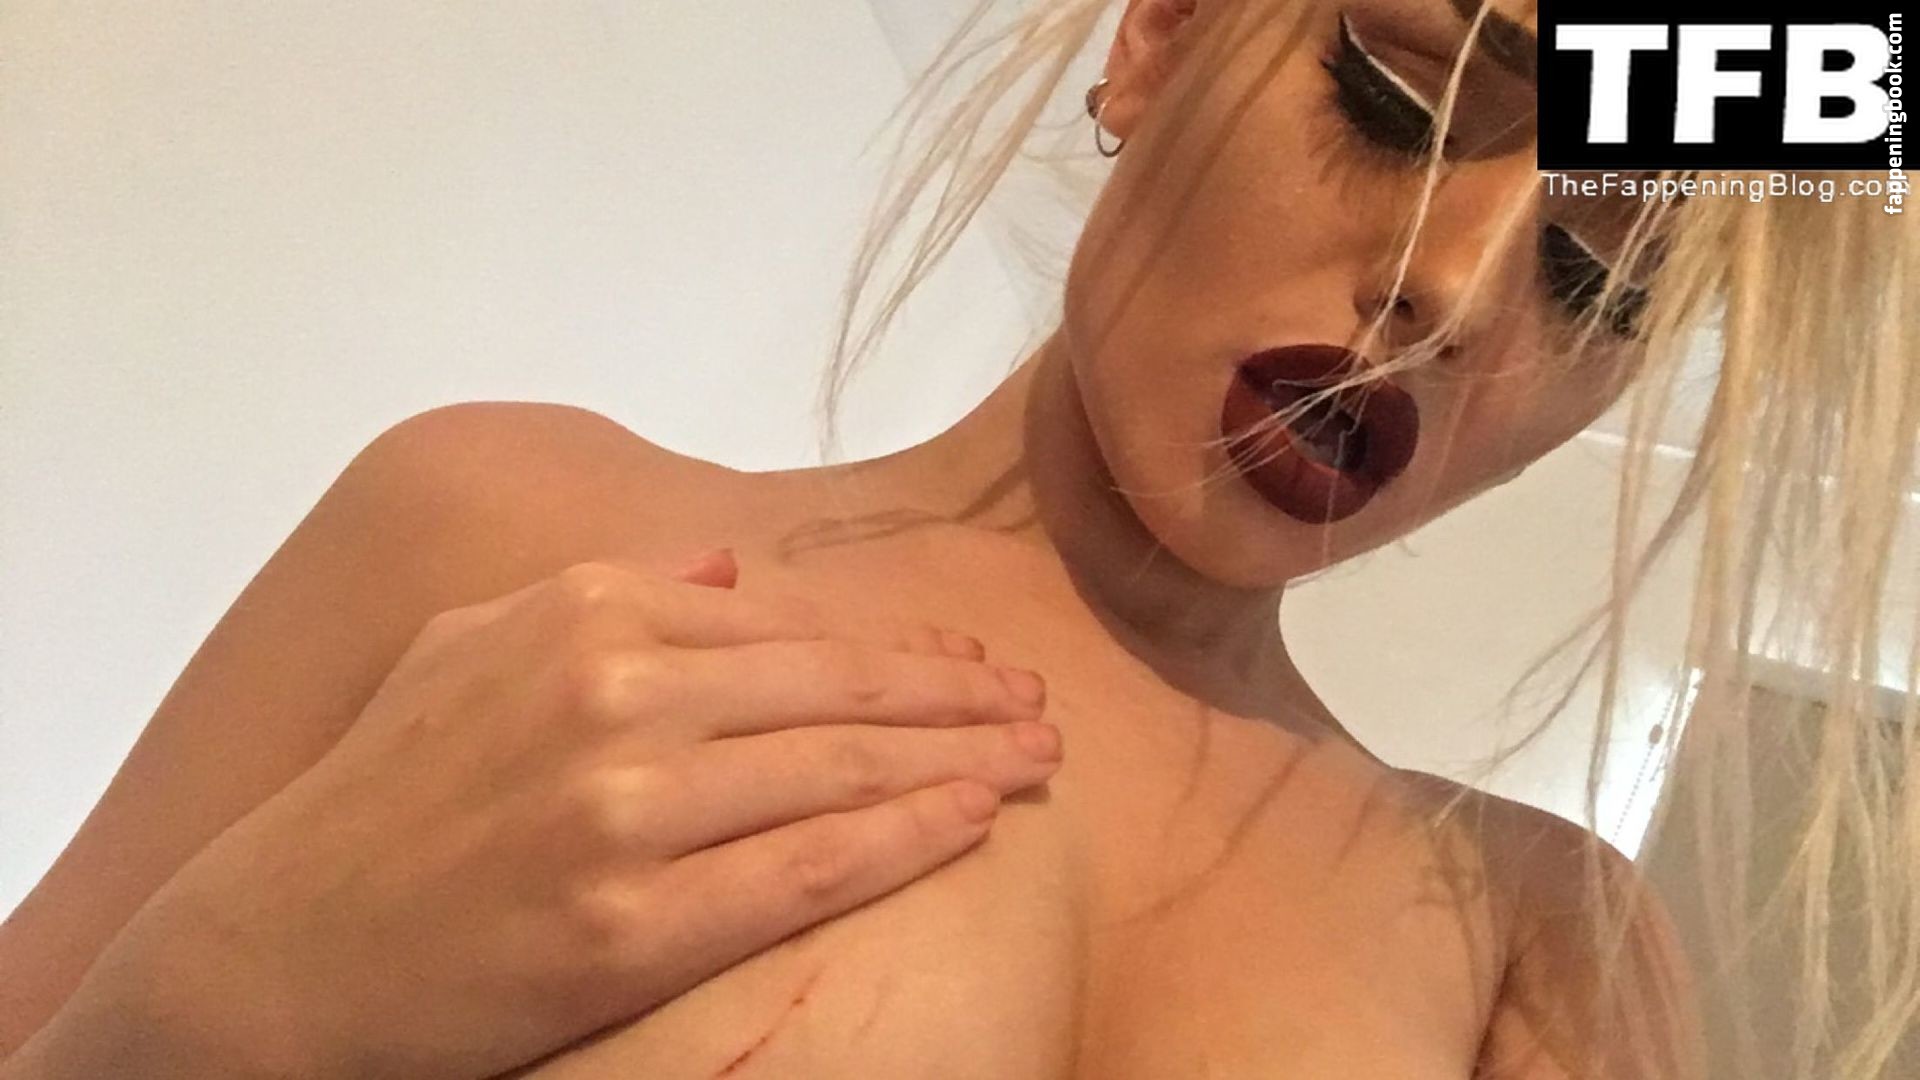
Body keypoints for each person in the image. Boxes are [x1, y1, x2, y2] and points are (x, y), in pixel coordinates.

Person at [4, 0, 1913, 1076]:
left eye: (1603, 277)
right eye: (1395, 100)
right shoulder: (512, 528)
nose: (1457, 291)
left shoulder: (1536, 934)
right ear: (1159, 40)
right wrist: (209, 1004)